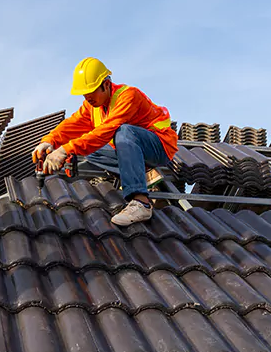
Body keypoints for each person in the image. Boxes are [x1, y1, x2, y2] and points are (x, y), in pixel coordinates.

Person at [33, 57, 178, 226]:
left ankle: (141, 202)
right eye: (85, 93)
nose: (88, 97)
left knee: (122, 131)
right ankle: (141, 174)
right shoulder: (92, 106)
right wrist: (50, 141)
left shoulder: (128, 96)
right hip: (134, 150)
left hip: (159, 147)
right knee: (88, 150)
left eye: (92, 90)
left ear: (106, 84)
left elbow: (106, 131)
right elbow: (72, 125)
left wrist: (65, 150)